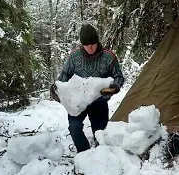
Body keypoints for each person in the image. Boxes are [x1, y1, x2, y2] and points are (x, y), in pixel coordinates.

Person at [50, 24, 124, 153]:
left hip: (99, 100)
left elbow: (119, 77)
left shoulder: (108, 57)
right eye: (86, 45)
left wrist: (113, 89)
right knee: (74, 127)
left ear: (97, 41)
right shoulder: (74, 57)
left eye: (93, 44)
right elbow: (64, 75)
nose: (90, 48)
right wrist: (57, 89)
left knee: (100, 132)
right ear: (82, 44)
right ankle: (84, 154)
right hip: (78, 101)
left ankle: (101, 155)